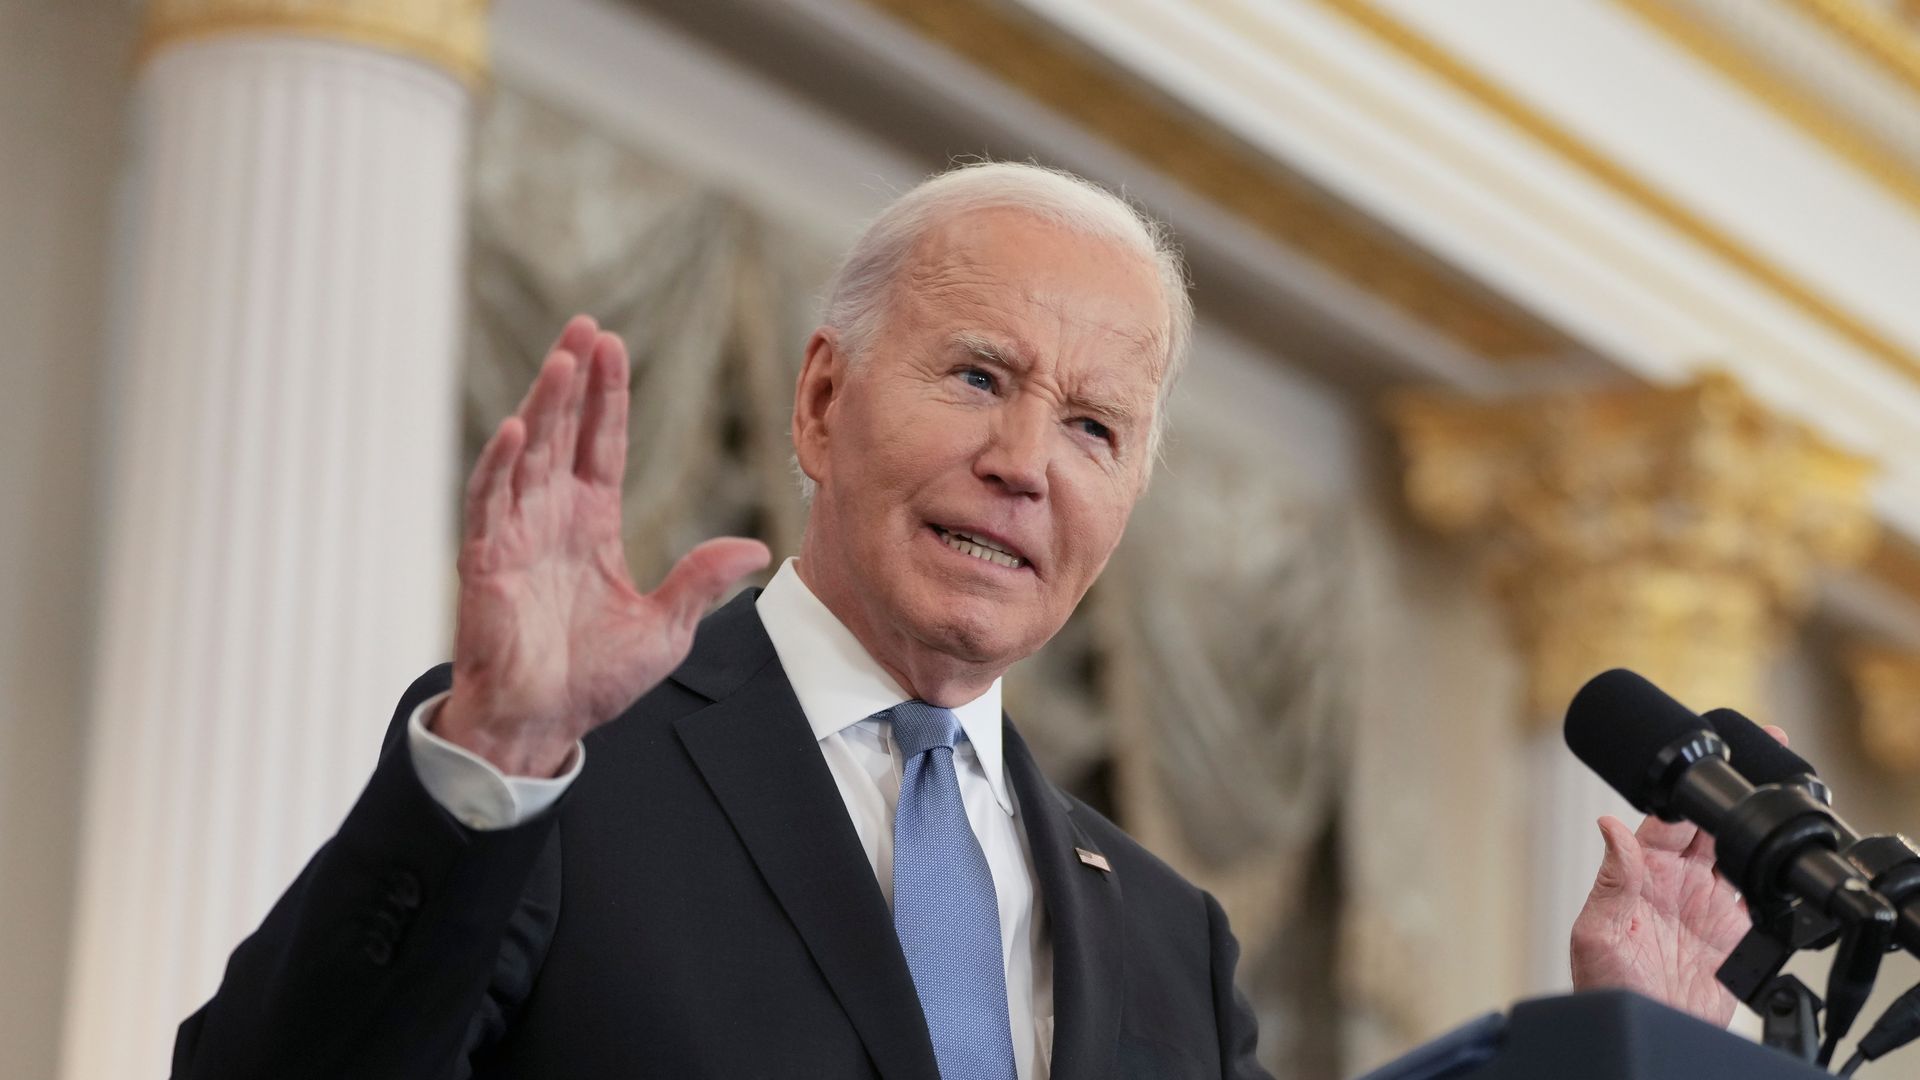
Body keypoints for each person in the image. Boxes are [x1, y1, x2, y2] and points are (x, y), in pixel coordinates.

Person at [172, 163, 1748, 1080]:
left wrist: (1623, 1051)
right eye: (981, 377)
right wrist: (498, 758)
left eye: (1094, 427)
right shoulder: (570, 779)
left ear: (1128, 497)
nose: (1022, 466)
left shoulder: (1167, 943)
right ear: (821, 398)